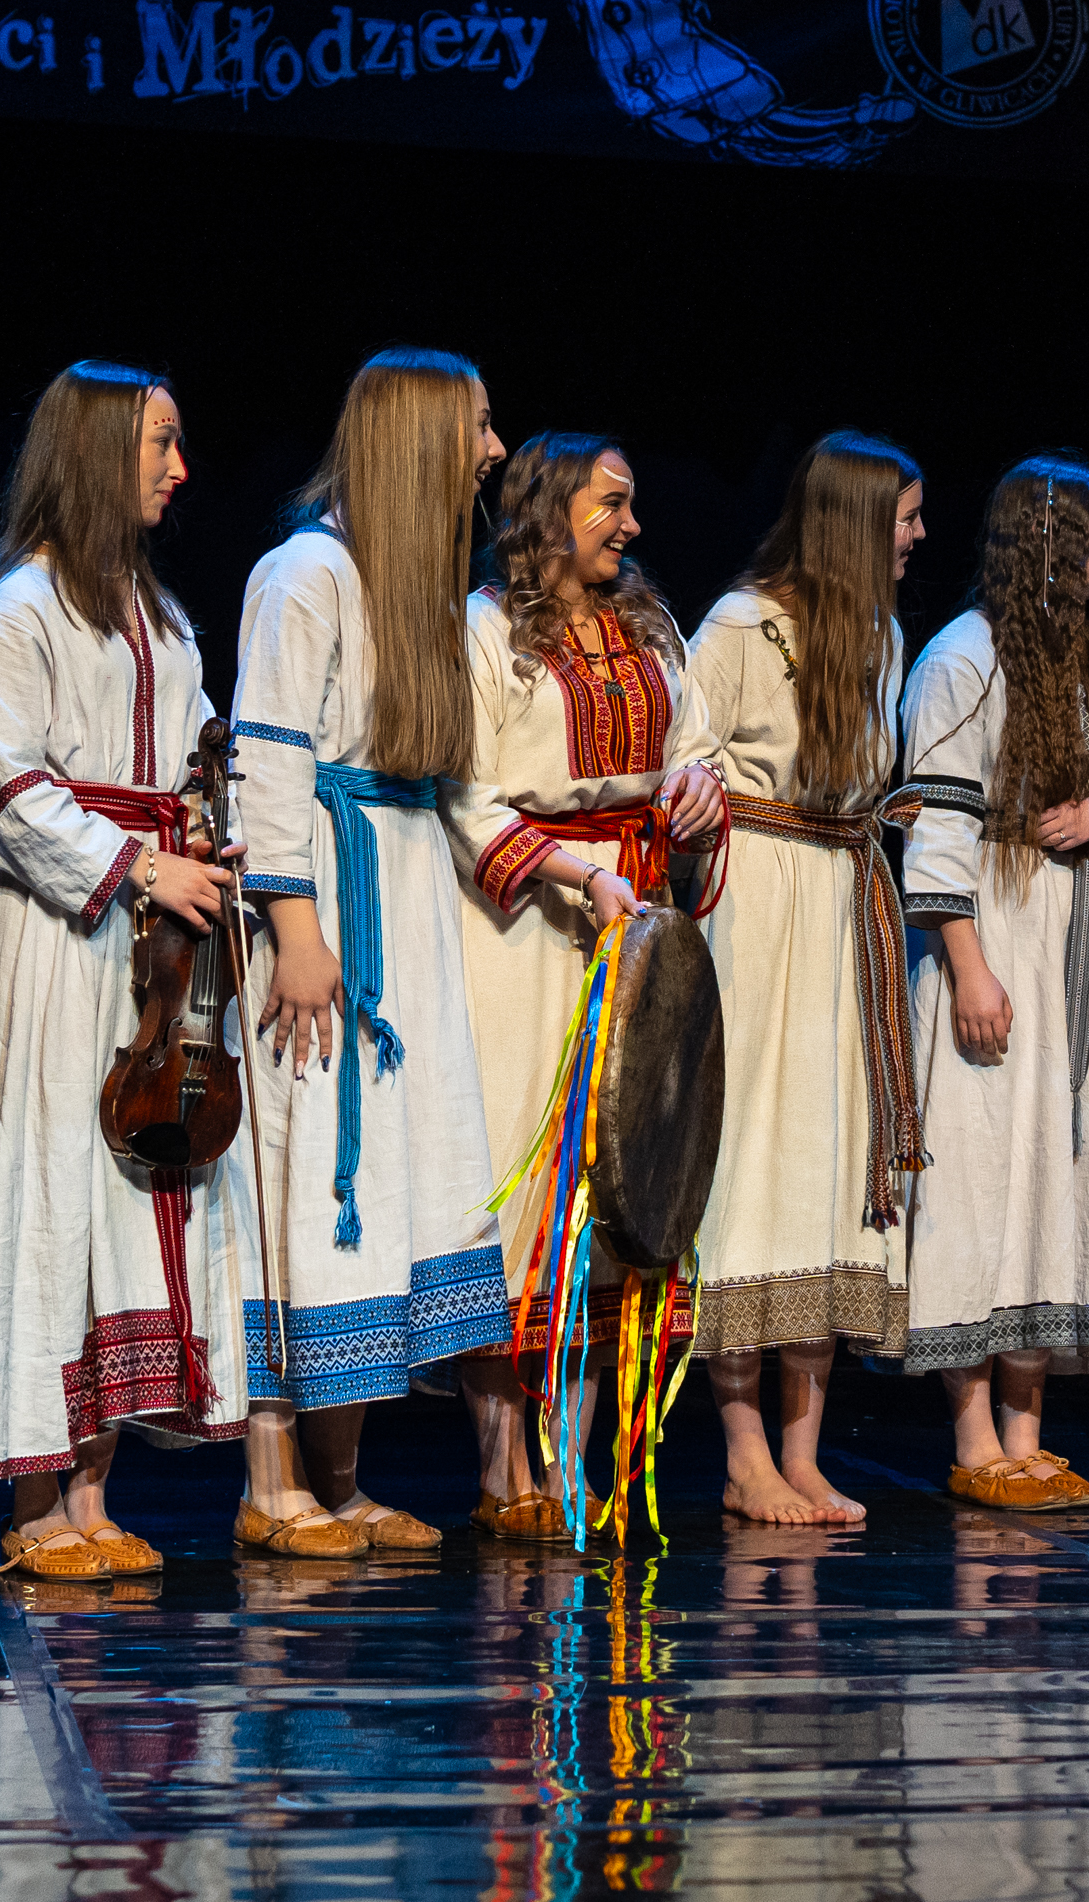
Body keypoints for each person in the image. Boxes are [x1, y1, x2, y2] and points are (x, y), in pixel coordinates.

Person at [0, 363, 251, 1578]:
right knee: (43, 1182)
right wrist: (135, 865)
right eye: (161, 444)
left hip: (146, 936)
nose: (179, 468)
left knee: (127, 1188)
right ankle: (27, 1505)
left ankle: (93, 1488)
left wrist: (203, 838)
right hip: (53, 930)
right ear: (96, 453)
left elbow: (193, 752)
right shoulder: (19, 612)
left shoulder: (161, 620)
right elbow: (3, 788)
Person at [223, 347, 511, 1559]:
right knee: (304, 1171)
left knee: (381, 1184)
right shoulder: (302, 574)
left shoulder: (405, 587)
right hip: (327, 906)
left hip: (400, 893)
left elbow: (447, 784)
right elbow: (270, 757)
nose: (495, 452)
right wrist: (294, 930)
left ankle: (340, 1483)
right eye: (480, 428)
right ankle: (273, 1481)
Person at [445, 434, 728, 1539]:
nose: (631, 523)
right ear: (551, 507)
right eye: (612, 502)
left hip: (635, 923)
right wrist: (574, 871)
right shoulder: (482, 628)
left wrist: (697, 787)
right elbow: (466, 795)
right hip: (530, 932)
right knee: (530, 1193)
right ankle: (504, 1465)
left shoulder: (649, 629)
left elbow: (694, 745)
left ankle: (581, 1458)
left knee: (621, 1186)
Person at [900, 456, 1089, 1510]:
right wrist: (966, 966)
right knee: (982, 1172)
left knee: (1056, 1172)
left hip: (1078, 948)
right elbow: (932, 823)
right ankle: (974, 1438)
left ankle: (1027, 1430)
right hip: (997, 929)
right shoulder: (963, 657)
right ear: (1049, 539)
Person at [687, 433, 930, 1523]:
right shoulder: (743, 626)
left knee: (835, 1168)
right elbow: (685, 758)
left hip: (840, 904)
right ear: (854, 521)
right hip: (759, 904)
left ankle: (804, 1452)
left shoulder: (878, 634)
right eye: (905, 515)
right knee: (754, 1166)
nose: (920, 535)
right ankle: (743, 1454)